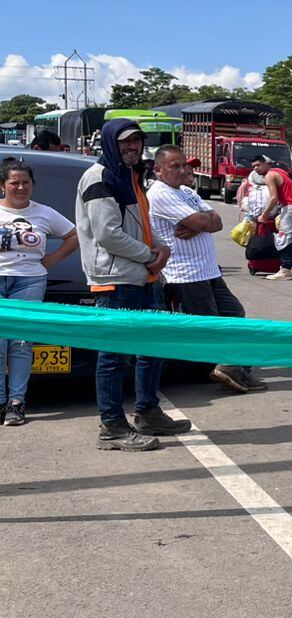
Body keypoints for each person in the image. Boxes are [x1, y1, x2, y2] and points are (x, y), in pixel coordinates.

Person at [75, 118, 188, 450]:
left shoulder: (131, 176)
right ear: (111, 142)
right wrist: (149, 254)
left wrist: (152, 260)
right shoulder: (100, 177)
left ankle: (147, 411)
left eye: (137, 142)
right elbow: (107, 234)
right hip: (116, 279)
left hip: (142, 275)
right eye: (125, 142)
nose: (132, 147)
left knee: (153, 346)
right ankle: (111, 426)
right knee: (113, 355)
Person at [146, 146, 266, 396]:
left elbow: (217, 221)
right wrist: (201, 222)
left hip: (207, 270)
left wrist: (201, 223)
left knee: (233, 313)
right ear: (158, 170)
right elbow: (204, 221)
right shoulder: (160, 194)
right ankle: (228, 368)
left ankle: (232, 367)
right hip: (186, 273)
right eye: (174, 167)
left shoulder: (186, 191)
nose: (182, 171)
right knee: (211, 325)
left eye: (183, 166)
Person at [0, 158, 77, 426]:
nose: (20, 187)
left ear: (33, 185)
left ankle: (16, 403)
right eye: (14, 183)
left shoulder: (44, 213)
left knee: (21, 343)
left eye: (26, 183)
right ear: (3, 186)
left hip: (29, 281)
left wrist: (52, 260)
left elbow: (73, 235)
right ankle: (0, 401)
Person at [255, 154, 292, 280]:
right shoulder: (279, 171)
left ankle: (286, 269)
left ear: (266, 164)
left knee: (284, 237)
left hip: (291, 206)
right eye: (253, 166)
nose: (256, 168)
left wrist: (264, 215)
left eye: (258, 165)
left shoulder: (269, 175)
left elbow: (274, 198)